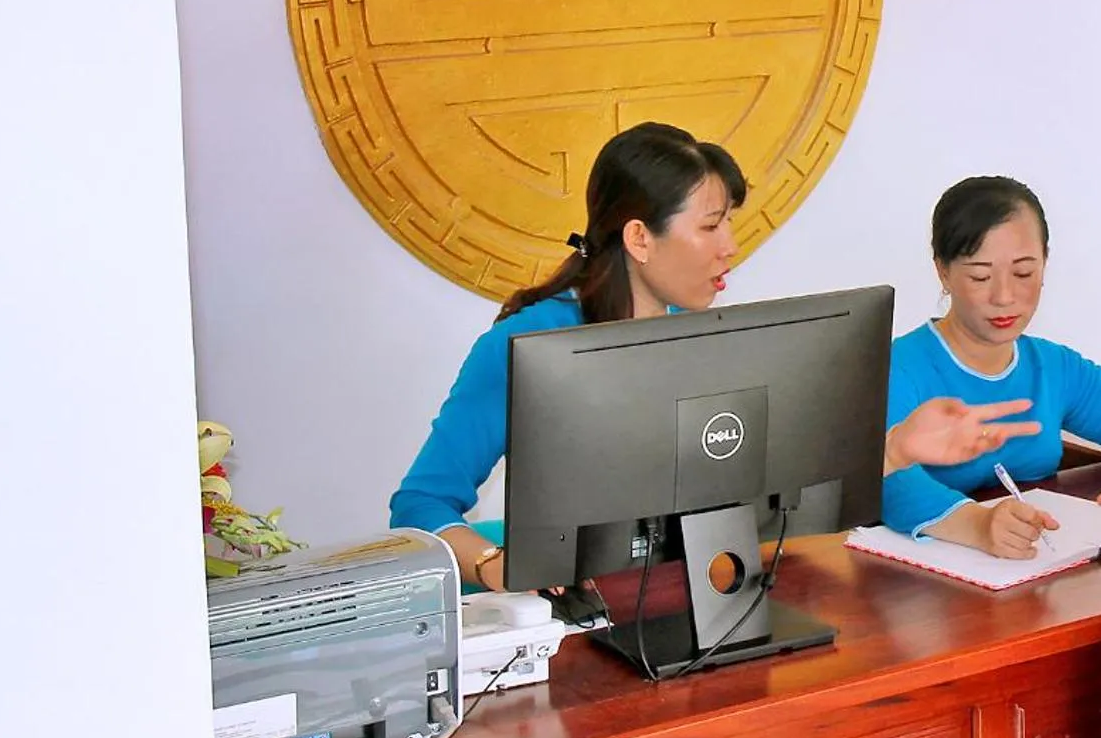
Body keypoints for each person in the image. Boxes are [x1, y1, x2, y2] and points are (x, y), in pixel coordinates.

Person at [390, 124, 1042, 592]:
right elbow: (420, 507)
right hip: (568, 621)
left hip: (695, 597)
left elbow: (775, 494)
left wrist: (899, 445)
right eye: (709, 226)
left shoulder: (710, 339)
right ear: (640, 238)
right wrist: (493, 565)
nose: (730, 246)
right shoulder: (523, 346)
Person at [884, 176, 1101, 559]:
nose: (1004, 296)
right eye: (980, 276)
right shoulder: (898, 368)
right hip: (923, 588)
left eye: (1024, 273)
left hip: (1033, 567)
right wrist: (979, 526)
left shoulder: (1052, 366)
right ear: (942, 272)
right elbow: (884, 479)